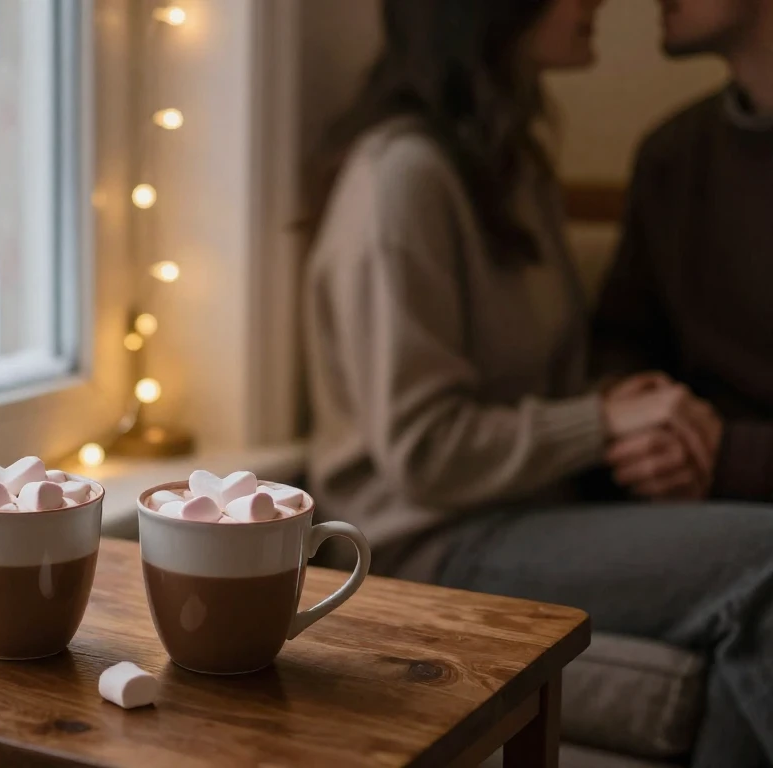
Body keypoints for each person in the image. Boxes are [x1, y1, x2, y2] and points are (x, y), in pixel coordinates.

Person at [303, 1, 773, 765]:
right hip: (427, 540)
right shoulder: (403, 176)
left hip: (528, 509)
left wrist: (647, 426)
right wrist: (604, 421)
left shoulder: (508, 165)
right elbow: (422, 451)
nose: (598, 1)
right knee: (764, 560)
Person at [593, 0, 773, 502]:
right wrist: (643, 419)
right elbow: (621, 338)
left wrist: (729, 455)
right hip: (681, 505)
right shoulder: (671, 154)